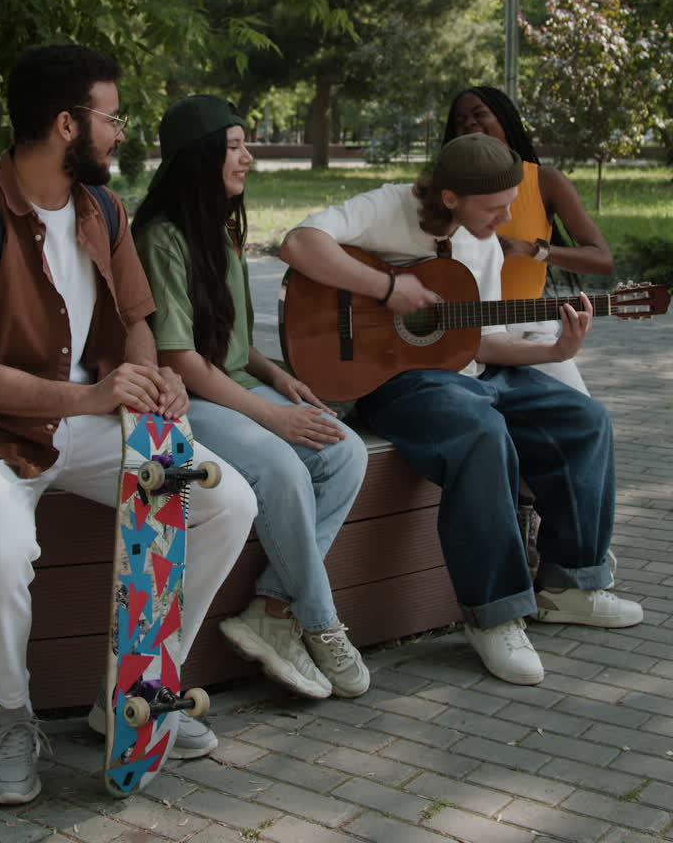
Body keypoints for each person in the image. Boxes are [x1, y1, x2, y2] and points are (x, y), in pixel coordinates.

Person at [0, 46, 257, 807]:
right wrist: (92, 401)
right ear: (66, 125)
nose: (121, 133)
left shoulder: (105, 210)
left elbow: (137, 318)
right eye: (111, 117)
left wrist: (151, 383)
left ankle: (136, 690)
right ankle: (14, 721)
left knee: (229, 501)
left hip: (89, 426)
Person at [279, 133, 642, 688]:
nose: (504, 220)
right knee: (480, 429)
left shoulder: (485, 242)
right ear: (451, 197)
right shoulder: (390, 207)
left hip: (471, 373)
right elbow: (299, 244)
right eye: (495, 208)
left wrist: (553, 352)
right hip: (399, 380)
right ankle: (494, 614)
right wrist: (388, 285)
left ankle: (571, 583)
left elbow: (482, 341)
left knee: (584, 420)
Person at [132, 95, 370, 703]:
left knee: (347, 452)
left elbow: (232, 343)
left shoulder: (222, 229)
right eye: (235, 146)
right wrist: (271, 414)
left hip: (235, 380)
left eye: (245, 144)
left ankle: (271, 606)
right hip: (189, 395)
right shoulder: (162, 238)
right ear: (202, 157)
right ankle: (318, 620)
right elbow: (180, 358)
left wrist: (278, 375)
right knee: (284, 463)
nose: (248, 156)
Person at [442, 85, 614, 393]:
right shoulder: (444, 190)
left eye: (480, 115)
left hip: (528, 329)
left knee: (582, 415)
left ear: (506, 121)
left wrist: (535, 251)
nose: (468, 124)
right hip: (456, 330)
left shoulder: (545, 181)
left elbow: (602, 259)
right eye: (460, 120)